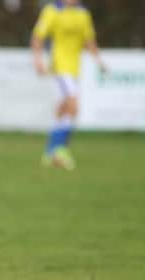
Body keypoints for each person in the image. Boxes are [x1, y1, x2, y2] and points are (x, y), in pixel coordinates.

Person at [31, 0, 106, 171]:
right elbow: (38, 36)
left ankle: (51, 152)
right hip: (59, 66)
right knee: (73, 104)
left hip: (73, 69)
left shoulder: (83, 14)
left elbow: (88, 41)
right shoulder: (52, 11)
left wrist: (99, 61)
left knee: (64, 108)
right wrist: (38, 59)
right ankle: (60, 149)